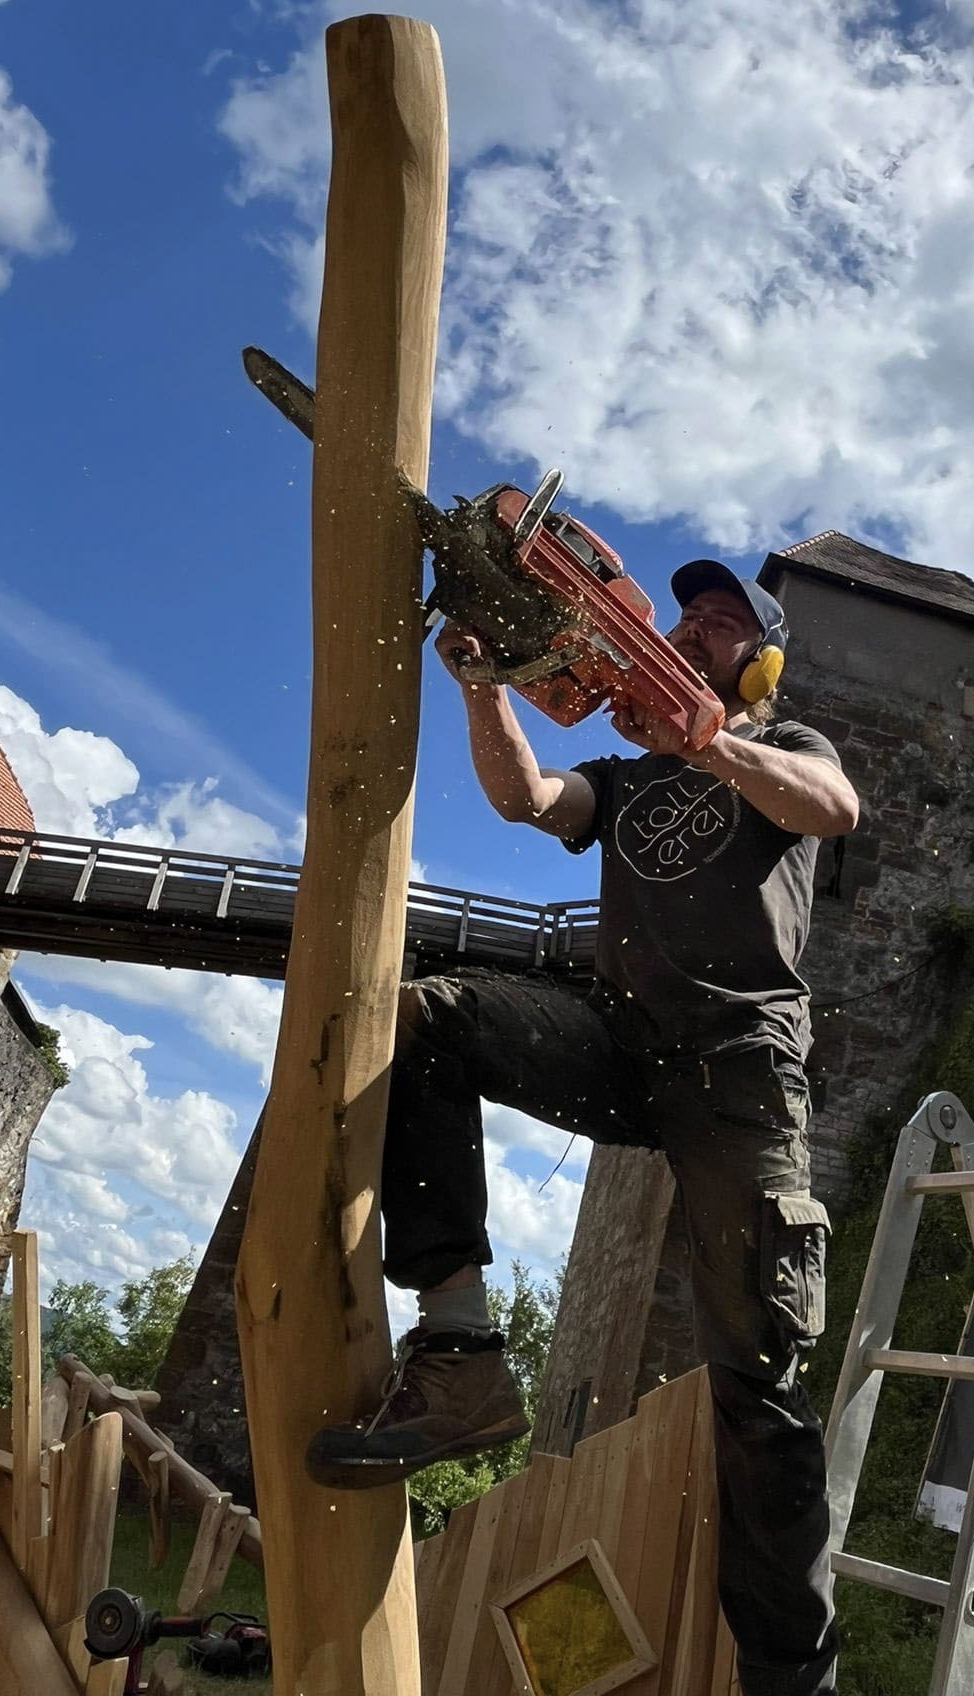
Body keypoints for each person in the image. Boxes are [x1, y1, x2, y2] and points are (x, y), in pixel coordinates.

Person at [308, 559, 859, 1696]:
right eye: (686, 618)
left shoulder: (791, 745)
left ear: (759, 660)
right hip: (621, 1043)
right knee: (434, 1017)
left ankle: (789, 1675)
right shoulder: (627, 775)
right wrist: (477, 687)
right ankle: (459, 1354)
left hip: (741, 1069)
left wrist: (708, 738)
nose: (692, 631)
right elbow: (528, 798)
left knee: (756, 1384)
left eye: (720, 626)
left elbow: (835, 811)